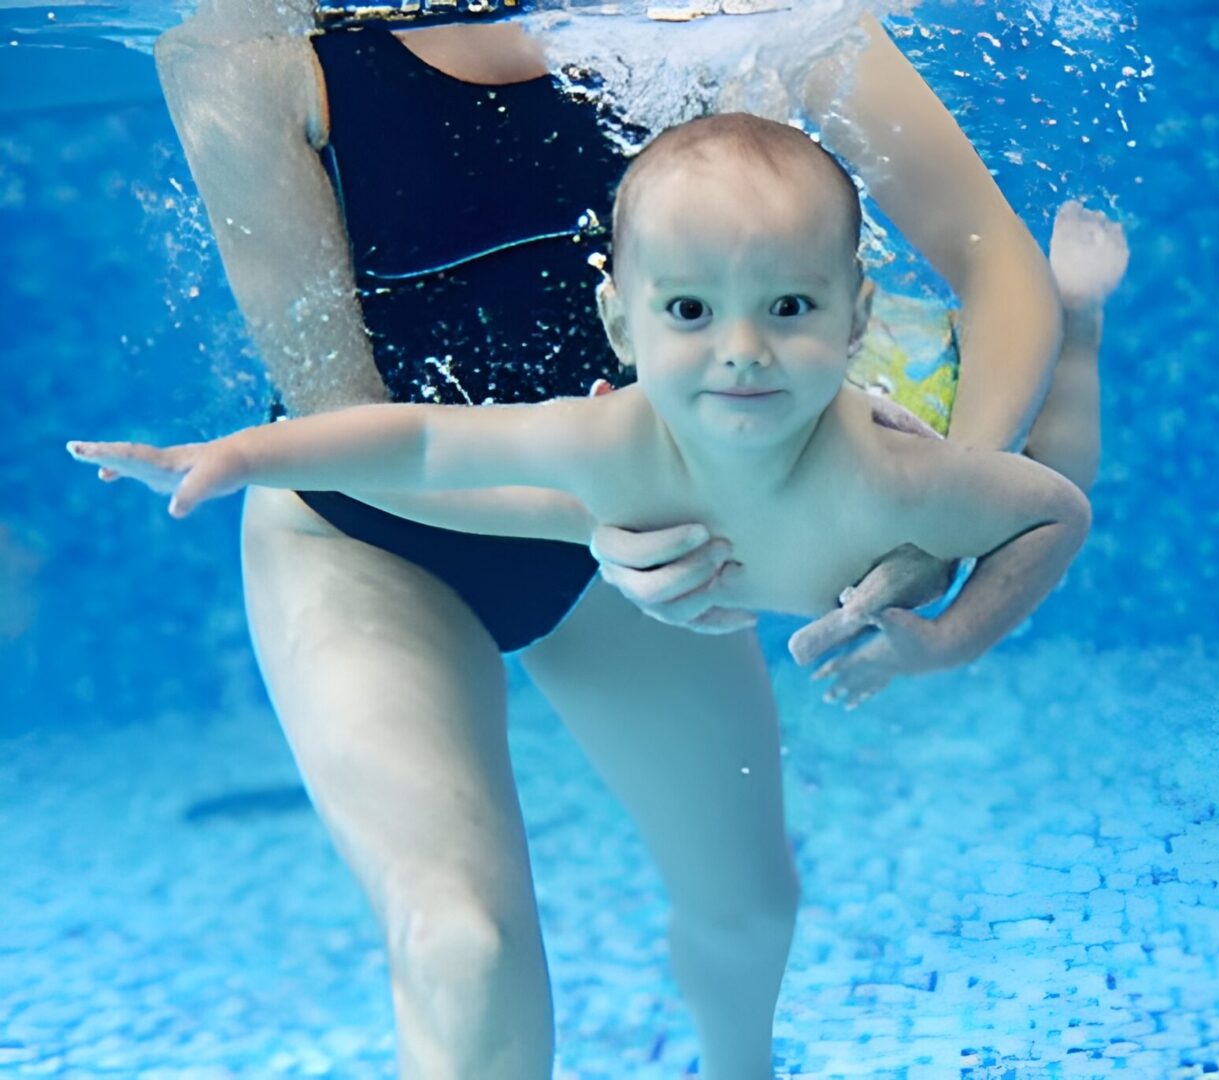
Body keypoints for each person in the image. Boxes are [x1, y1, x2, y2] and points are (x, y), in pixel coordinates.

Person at [137, 1, 1119, 1076]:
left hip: (653, 520)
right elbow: (349, 426)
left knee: (748, 909)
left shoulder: (743, 13)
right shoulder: (245, 47)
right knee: (459, 941)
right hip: (373, 535)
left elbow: (997, 269)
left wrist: (930, 507)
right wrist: (599, 520)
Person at [71, 111, 1123, 683]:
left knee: (1051, 460)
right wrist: (245, 455)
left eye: (789, 309)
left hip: (904, 390)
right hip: (823, 379)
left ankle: (1082, 319)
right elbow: (428, 447)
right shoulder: (610, 433)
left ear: (848, 320)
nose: (740, 356)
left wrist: (947, 639)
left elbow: (1055, 513)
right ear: (621, 326)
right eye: (690, 315)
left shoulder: (898, 473)